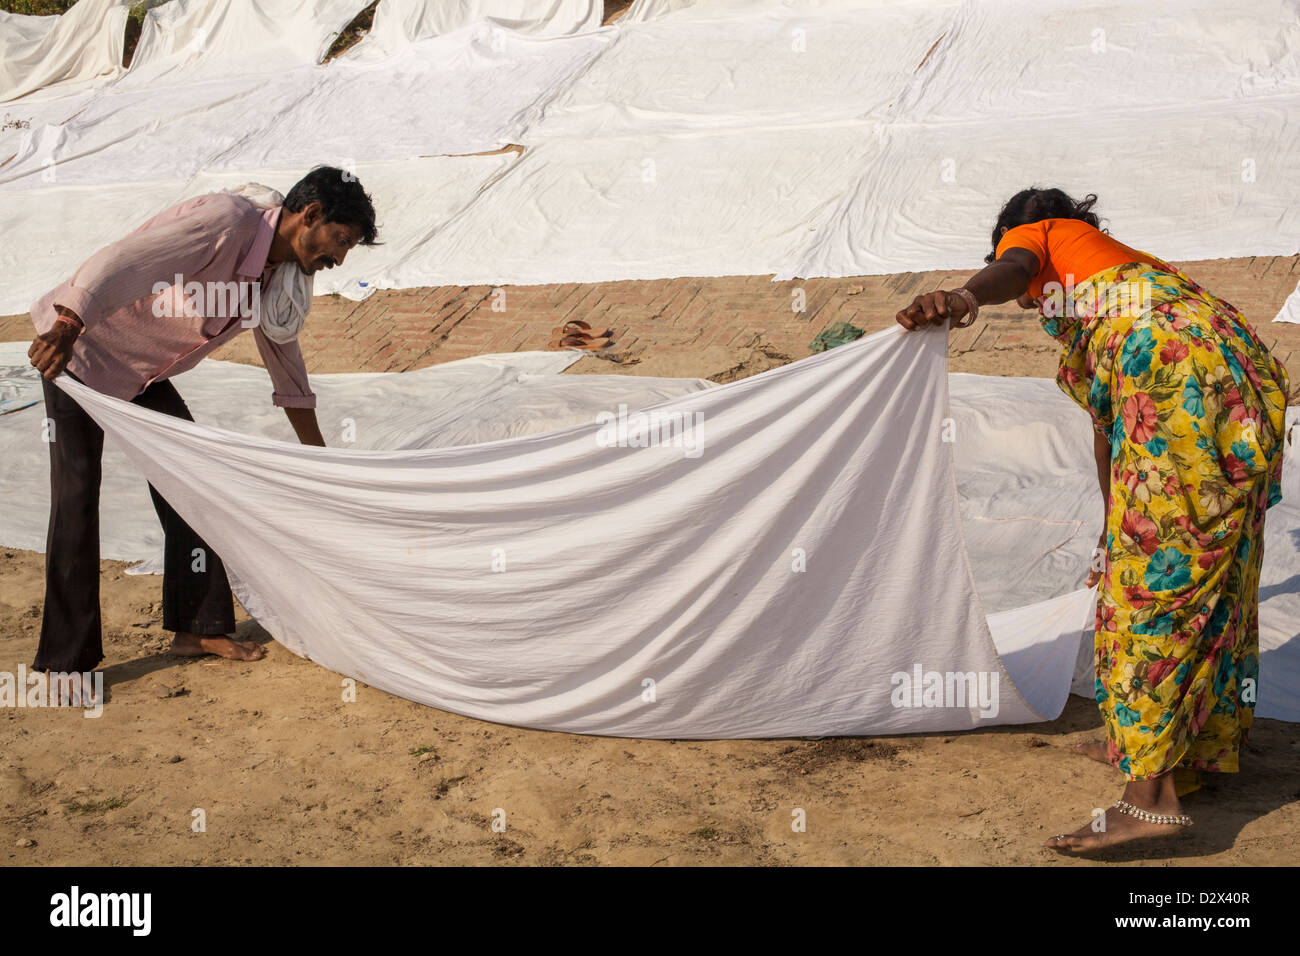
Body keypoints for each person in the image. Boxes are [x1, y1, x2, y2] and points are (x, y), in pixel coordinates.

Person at [896, 187, 1290, 853]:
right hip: (1229, 380)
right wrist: (1115, 531)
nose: (1023, 297)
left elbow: (1013, 270)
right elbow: (1110, 428)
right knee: (1200, 575)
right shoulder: (1119, 281)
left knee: (1153, 592)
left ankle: (1152, 802)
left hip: (1182, 380)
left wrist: (966, 297)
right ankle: (1182, 750)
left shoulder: (1044, 239)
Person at [27, 165, 378, 679]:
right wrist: (66, 324)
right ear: (311, 214)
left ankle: (198, 629)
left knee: (193, 484)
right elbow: (119, 261)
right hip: (78, 354)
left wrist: (317, 460)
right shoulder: (227, 221)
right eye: (339, 240)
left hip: (140, 374)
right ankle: (64, 666)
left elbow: (287, 366)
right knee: (78, 499)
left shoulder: (278, 277)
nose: (339, 258)